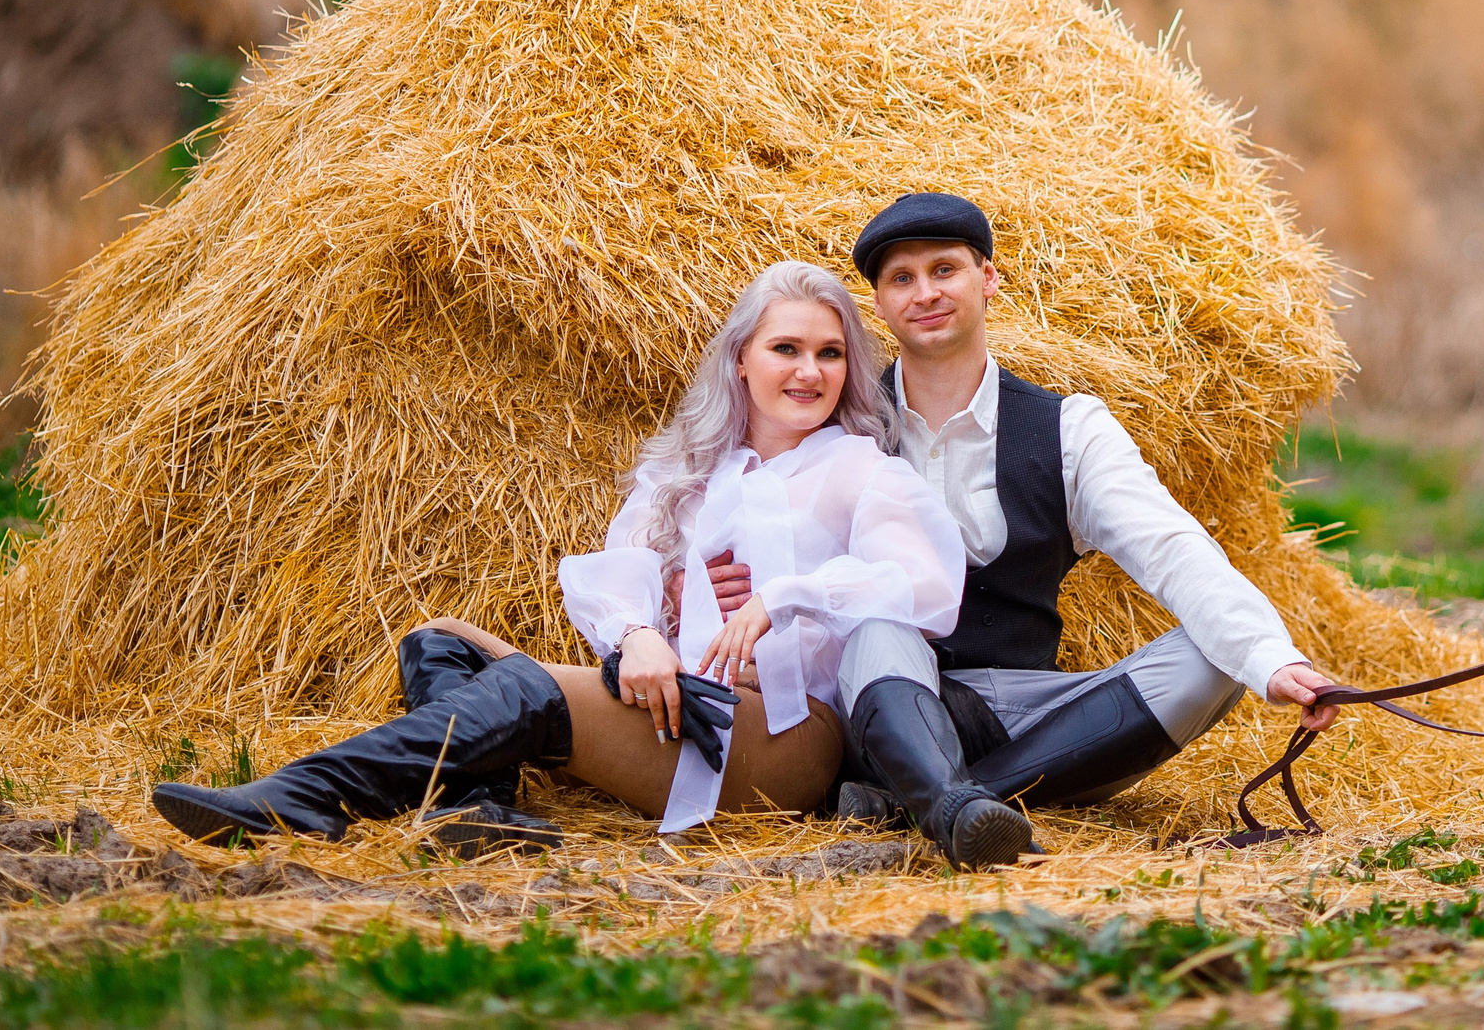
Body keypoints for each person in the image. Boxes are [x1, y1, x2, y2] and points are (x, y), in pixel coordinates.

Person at [152, 261, 965, 849]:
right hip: (676, 705)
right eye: (787, 348)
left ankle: (304, 796)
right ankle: (478, 808)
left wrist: (783, 595)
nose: (810, 370)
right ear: (742, 358)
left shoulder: (861, 468)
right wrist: (637, 634)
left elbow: (927, 584)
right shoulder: (688, 474)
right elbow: (621, 571)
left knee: (528, 688)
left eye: (830, 353)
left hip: (783, 734)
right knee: (440, 638)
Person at [693, 193, 1346, 870]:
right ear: (880, 306)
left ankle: (932, 800)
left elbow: (1170, 546)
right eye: (902, 278)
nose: (926, 292)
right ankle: (945, 795)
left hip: (1029, 706)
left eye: (945, 269)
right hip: (882, 696)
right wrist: (696, 580)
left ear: (989, 278)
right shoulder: (836, 427)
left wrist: (1272, 658)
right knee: (880, 627)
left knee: (1218, 657)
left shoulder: (1069, 430)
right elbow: (743, 512)